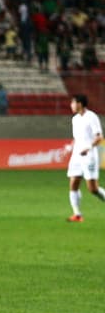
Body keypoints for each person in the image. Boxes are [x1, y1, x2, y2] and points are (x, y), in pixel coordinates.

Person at [65, 94, 105, 222]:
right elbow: (77, 138)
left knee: (92, 189)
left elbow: (99, 137)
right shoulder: (75, 119)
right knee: (73, 184)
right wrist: (70, 147)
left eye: (73, 103)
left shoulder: (91, 117)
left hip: (89, 156)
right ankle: (77, 214)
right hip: (77, 156)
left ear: (80, 104)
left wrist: (88, 147)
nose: (71, 105)